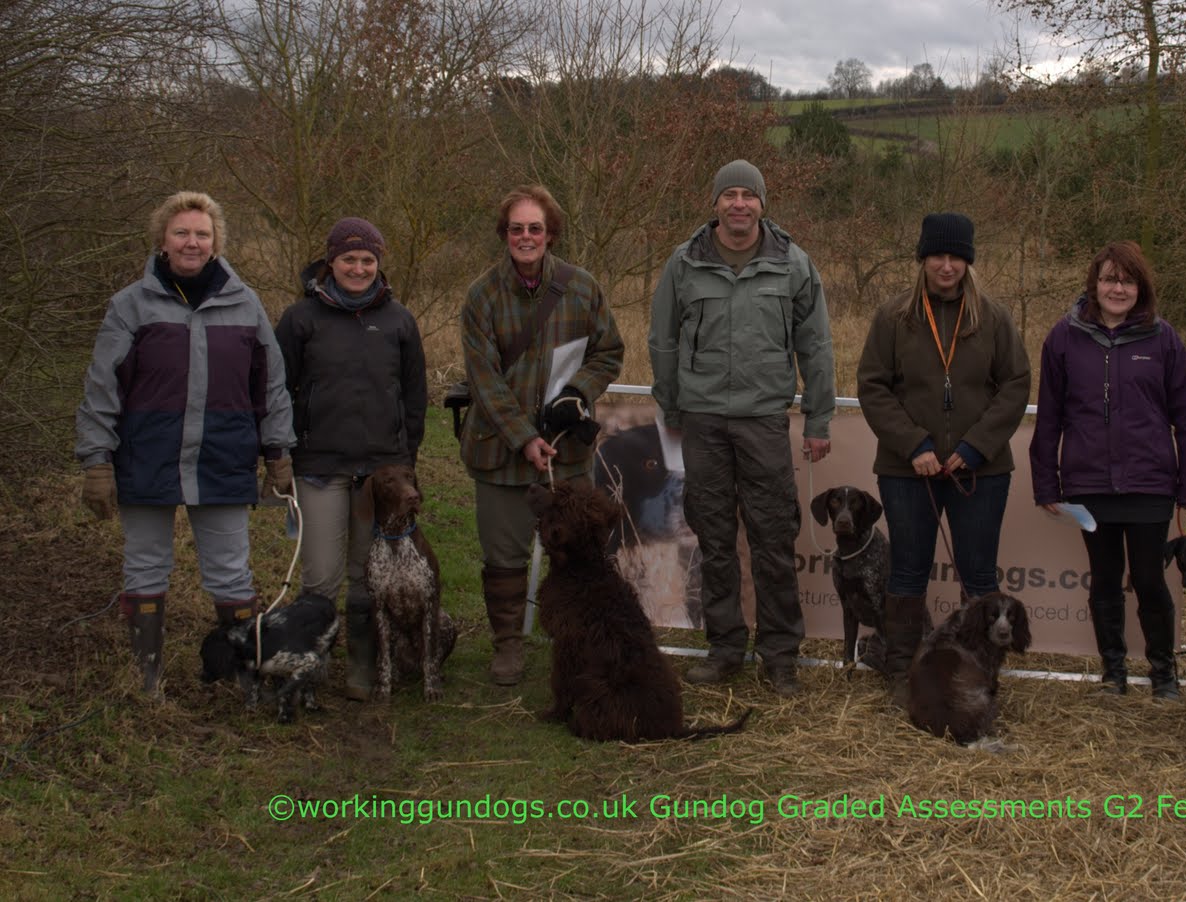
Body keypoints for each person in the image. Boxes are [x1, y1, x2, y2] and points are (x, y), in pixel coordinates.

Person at [76, 190, 296, 699]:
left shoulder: (245, 304)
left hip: (223, 456)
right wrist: (96, 460)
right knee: (146, 563)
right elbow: (101, 387)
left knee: (229, 570)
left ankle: (246, 677)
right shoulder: (130, 305)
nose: (192, 242)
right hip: (146, 456)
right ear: (162, 240)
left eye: (202, 233)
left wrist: (278, 451)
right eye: (182, 233)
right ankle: (147, 680)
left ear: (216, 242)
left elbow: (270, 384)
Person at [647, 159, 835, 697]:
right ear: (714, 204)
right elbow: (662, 340)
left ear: (761, 204)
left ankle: (779, 655)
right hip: (703, 423)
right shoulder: (683, 265)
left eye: (747, 196)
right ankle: (725, 647)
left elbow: (816, 346)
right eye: (728, 194)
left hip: (764, 423)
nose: (738, 204)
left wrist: (818, 418)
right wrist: (673, 406)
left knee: (774, 539)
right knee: (714, 538)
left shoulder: (792, 264)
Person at [857, 212, 1030, 706]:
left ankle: (979, 675)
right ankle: (901, 674)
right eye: (938, 255)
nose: (947, 265)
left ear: (968, 260)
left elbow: (1015, 384)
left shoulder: (994, 318)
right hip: (906, 470)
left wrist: (975, 447)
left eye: (956, 256)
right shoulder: (893, 317)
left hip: (981, 470)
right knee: (907, 572)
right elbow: (872, 386)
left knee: (978, 576)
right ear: (923, 258)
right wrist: (914, 445)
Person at [460, 185, 624, 686]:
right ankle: (508, 645)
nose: (526, 237)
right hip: (500, 452)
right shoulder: (481, 297)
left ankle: (577, 637)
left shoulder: (582, 287)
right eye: (516, 229)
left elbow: (609, 351)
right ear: (504, 234)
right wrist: (524, 437)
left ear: (550, 233)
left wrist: (579, 391)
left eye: (535, 228)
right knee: (504, 557)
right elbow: (483, 380)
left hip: (567, 452)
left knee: (577, 550)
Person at [1028, 240, 1186, 700]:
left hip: (1150, 484)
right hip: (1089, 484)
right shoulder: (1062, 338)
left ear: (1140, 287)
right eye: (1109, 279)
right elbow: (1049, 417)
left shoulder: (1163, 339)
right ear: (1094, 283)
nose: (1117, 288)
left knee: (1149, 580)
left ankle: (1163, 674)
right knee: (1104, 579)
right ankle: (1114, 671)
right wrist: (1046, 481)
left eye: (1127, 280)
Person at [274, 217, 427, 700]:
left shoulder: (399, 320)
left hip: (380, 470)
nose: (358, 268)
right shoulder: (300, 320)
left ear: (378, 264)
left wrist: (407, 458)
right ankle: (310, 666)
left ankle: (363, 663)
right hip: (319, 465)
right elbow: (278, 390)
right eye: (348, 259)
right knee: (321, 576)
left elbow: (414, 395)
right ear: (330, 262)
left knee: (368, 575)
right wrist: (278, 452)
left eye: (367, 260)